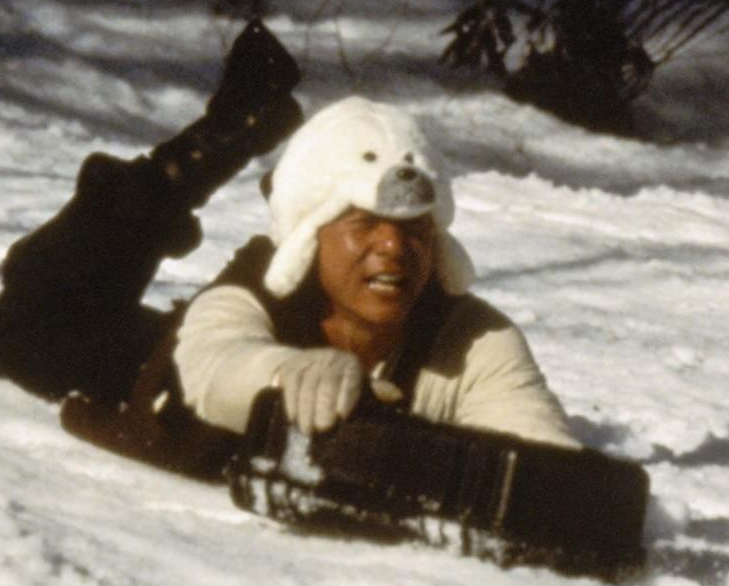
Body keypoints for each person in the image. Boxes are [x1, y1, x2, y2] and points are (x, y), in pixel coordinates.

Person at [171, 96, 577, 450]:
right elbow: (212, 367)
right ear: (310, 238)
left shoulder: (473, 341)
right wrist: (287, 375)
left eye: (415, 228)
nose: (394, 247)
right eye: (365, 223)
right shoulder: (251, 292)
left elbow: (546, 468)